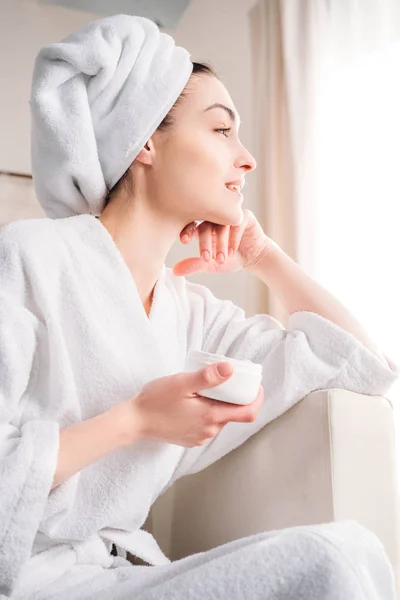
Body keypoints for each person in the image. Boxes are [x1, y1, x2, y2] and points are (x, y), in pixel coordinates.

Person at [0, 13, 398, 600]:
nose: (247, 159)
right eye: (220, 130)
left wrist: (265, 257)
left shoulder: (187, 312)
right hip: (26, 576)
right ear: (145, 143)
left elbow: (363, 365)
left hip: (112, 576)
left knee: (353, 549)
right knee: (327, 566)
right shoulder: (28, 257)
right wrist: (135, 421)